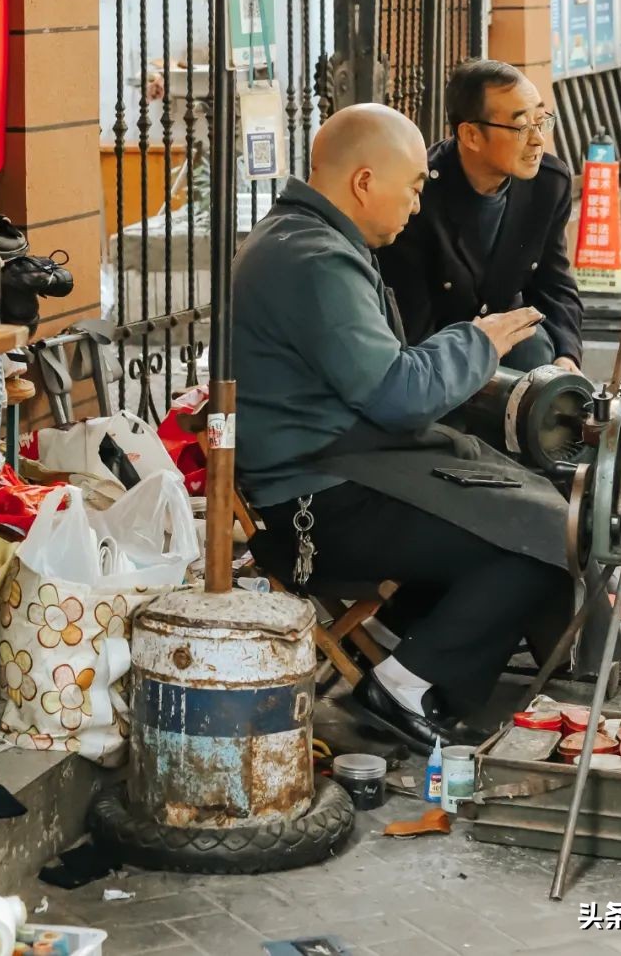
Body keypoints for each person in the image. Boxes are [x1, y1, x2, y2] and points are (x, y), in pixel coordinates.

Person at [233, 102, 572, 749]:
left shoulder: (305, 238)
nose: (418, 204)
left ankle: (405, 645)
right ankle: (407, 683)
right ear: (364, 181)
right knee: (549, 536)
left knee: (522, 498)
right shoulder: (314, 259)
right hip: (319, 502)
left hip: (334, 473)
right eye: (414, 186)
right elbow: (396, 393)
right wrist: (478, 342)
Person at [377, 59, 582, 371]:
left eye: (541, 121)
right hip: (439, 358)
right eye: (521, 126)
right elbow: (412, 326)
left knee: (536, 350)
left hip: (512, 346)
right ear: (471, 135)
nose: (538, 139)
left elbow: (554, 284)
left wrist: (567, 356)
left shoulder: (548, 184)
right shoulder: (419, 197)